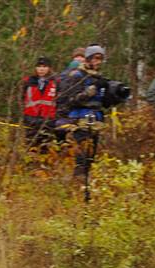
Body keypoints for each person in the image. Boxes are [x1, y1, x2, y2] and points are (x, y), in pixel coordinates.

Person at [56, 44, 128, 189]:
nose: (98, 62)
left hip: (96, 121)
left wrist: (114, 96)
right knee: (81, 158)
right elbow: (67, 100)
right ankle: (77, 188)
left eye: (100, 59)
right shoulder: (76, 76)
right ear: (88, 59)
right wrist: (91, 90)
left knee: (90, 158)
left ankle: (85, 190)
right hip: (78, 121)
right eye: (95, 58)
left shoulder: (100, 78)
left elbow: (104, 103)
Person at [22, 56, 58, 149]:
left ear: (49, 68)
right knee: (31, 149)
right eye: (39, 66)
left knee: (45, 149)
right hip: (31, 120)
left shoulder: (56, 82)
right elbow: (22, 99)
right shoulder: (28, 81)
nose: (41, 69)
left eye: (44, 66)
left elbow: (59, 102)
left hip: (48, 121)